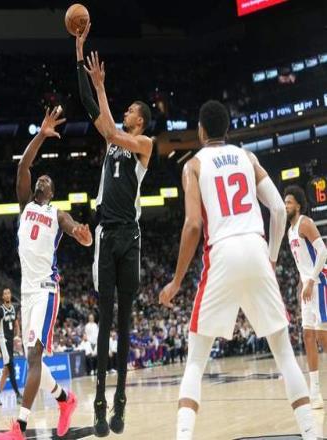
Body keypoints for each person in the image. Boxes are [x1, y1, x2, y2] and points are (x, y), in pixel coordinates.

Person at [159, 100, 316, 440]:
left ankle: (183, 436)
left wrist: (176, 281)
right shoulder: (248, 158)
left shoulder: (194, 165)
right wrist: (271, 256)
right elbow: (278, 208)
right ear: (227, 129)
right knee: (284, 353)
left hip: (223, 252)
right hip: (256, 247)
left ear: (201, 131)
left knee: (196, 361)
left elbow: (193, 225)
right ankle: (311, 432)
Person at [0, 107, 93, 440]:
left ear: (52, 192)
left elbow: (77, 230)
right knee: (31, 358)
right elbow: (23, 165)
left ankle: (19, 428)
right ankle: (65, 400)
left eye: (48, 180)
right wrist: (41, 134)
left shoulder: (57, 214)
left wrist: (82, 234)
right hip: (26, 291)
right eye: (41, 178)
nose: (43, 179)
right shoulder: (26, 206)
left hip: (47, 289)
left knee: (33, 356)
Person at [76, 23, 153, 436]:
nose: (125, 113)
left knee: (124, 323)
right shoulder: (112, 141)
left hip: (130, 238)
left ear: (140, 119)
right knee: (105, 320)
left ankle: (121, 400)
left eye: (130, 111)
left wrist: (105, 92)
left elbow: (113, 131)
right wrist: (82, 59)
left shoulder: (145, 145)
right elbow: (93, 109)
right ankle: (100, 405)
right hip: (106, 236)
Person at [285, 185, 327, 409]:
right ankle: (315, 392)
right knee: (308, 336)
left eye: (289, 202)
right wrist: (302, 283)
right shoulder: (290, 231)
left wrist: (310, 280)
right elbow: (301, 262)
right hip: (307, 287)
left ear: (298, 205)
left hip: (320, 283)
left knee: (322, 338)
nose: (286, 206)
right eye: (285, 203)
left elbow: (323, 252)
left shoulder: (305, 223)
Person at [0, 288, 22, 406]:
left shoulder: (14, 308)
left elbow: (16, 324)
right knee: (11, 367)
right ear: (2, 297)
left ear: (10, 295)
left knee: (6, 372)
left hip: (10, 342)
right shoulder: (0, 311)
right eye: (5, 293)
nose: (7, 295)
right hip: (3, 341)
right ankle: (18, 394)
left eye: (9, 293)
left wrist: (17, 336)